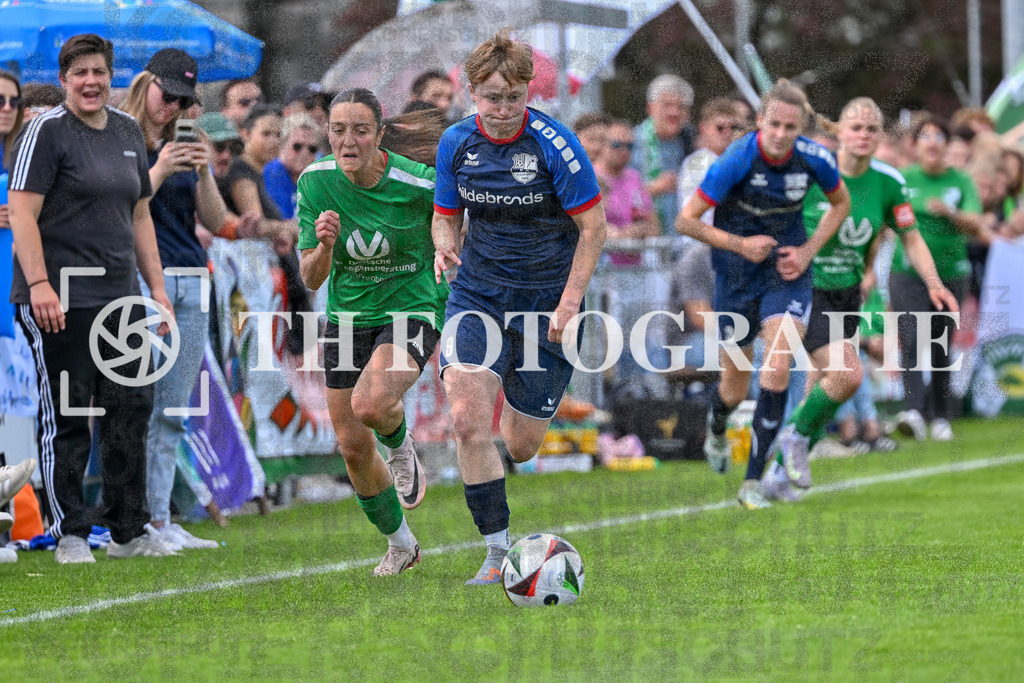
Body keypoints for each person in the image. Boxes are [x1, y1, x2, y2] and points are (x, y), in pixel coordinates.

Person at [432, 29, 606, 584]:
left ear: (529, 91)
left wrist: (570, 301)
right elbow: (445, 212)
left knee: (523, 445)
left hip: (545, 305)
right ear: (471, 92)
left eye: (514, 97)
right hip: (478, 295)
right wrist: (443, 240)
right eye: (492, 97)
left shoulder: (556, 145)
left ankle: (517, 395)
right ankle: (495, 550)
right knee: (464, 417)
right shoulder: (456, 143)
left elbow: (593, 227)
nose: (504, 110)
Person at [8, 34, 178, 562]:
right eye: (79, 72)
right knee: (69, 413)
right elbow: (21, 215)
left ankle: (127, 530)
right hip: (59, 297)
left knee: (131, 408)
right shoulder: (44, 132)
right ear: (63, 80)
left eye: (99, 71)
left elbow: (140, 214)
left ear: (111, 77)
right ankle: (72, 532)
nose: (90, 81)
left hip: (120, 299)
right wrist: (39, 286)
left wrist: (156, 291)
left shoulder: (128, 131)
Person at [759, 97, 956, 500]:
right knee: (847, 375)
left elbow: (910, 237)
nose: (863, 135)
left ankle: (779, 476)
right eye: (855, 127)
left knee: (824, 387)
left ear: (880, 136)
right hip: (805, 287)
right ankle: (791, 440)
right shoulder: (814, 172)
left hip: (846, 294)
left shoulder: (888, 181)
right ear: (839, 132)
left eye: (871, 128)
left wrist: (934, 282)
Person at [676, 78, 851, 510]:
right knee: (733, 388)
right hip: (735, 276)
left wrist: (809, 251)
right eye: (774, 124)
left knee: (775, 371)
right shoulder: (736, 159)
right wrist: (740, 244)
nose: (780, 134)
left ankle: (753, 482)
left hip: (785, 273)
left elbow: (840, 204)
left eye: (790, 127)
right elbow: (686, 222)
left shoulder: (815, 159)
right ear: (760, 122)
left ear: (800, 130)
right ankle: (717, 428)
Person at [297, 88, 448, 576]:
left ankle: (401, 444)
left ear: (380, 135)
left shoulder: (418, 183)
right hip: (347, 318)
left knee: (371, 404)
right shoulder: (315, 183)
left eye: (360, 129)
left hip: (413, 307)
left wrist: (450, 246)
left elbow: (455, 218)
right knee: (352, 445)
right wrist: (323, 246)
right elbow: (311, 278)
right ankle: (401, 544)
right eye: (338, 130)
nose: (348, 140)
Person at [118, 49, 229, 550]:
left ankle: (160, 519)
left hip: (189, 276)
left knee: (173, 409)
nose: (177, 108)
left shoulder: (190, 141)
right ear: (148, 85)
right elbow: (122, 206)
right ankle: (134, 520)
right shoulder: (119, 136)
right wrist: (161, 165)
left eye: (187, 100)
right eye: (170, 96)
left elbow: (213, 219)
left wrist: (204, 171)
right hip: (144, 279)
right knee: (137, 404)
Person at [890, 116, 989, 442]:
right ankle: (913, 412)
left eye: (938, 135)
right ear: (915, 145)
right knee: (912, 337)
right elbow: (883, 219)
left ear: (947, 145)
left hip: (952, 275)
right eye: (925, 135)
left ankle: (941, 415)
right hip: (908, 272)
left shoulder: (960, 180)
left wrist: (951, 214)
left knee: (940, 344)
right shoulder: (902, 179)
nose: (932, 141)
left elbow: (976, 223)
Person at [632, 74, 696, 234]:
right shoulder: (629, 143)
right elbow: (614, 194)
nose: (674, 112)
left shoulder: (694, 144)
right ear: (650, 108)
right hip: (646, 245)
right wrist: (652, 188)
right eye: (667, 105)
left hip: (684, 239)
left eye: (681, 107)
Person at [1, 69, 25, 341]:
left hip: (11, 286)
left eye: (14, 102)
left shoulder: (20, 156)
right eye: (0, 100)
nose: (8, 108)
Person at [264, 113, 323, 219]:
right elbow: (283, 221)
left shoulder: (317, 177)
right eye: (297, 146)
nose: (304, 154)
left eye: (312, 149)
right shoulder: (272, 173)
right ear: (282, 145)